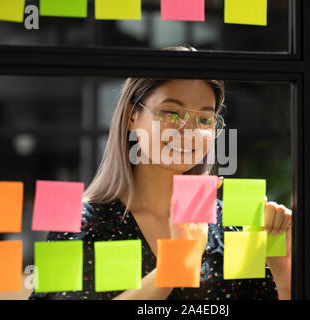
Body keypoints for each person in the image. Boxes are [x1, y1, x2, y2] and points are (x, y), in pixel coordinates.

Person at [29, 45, 292, 300]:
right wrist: (172, 269)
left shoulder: (230, 223)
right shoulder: (76, 222)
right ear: (132, 116)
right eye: (171, 113)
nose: (190, 131)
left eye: (204, 119)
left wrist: (284, 271)